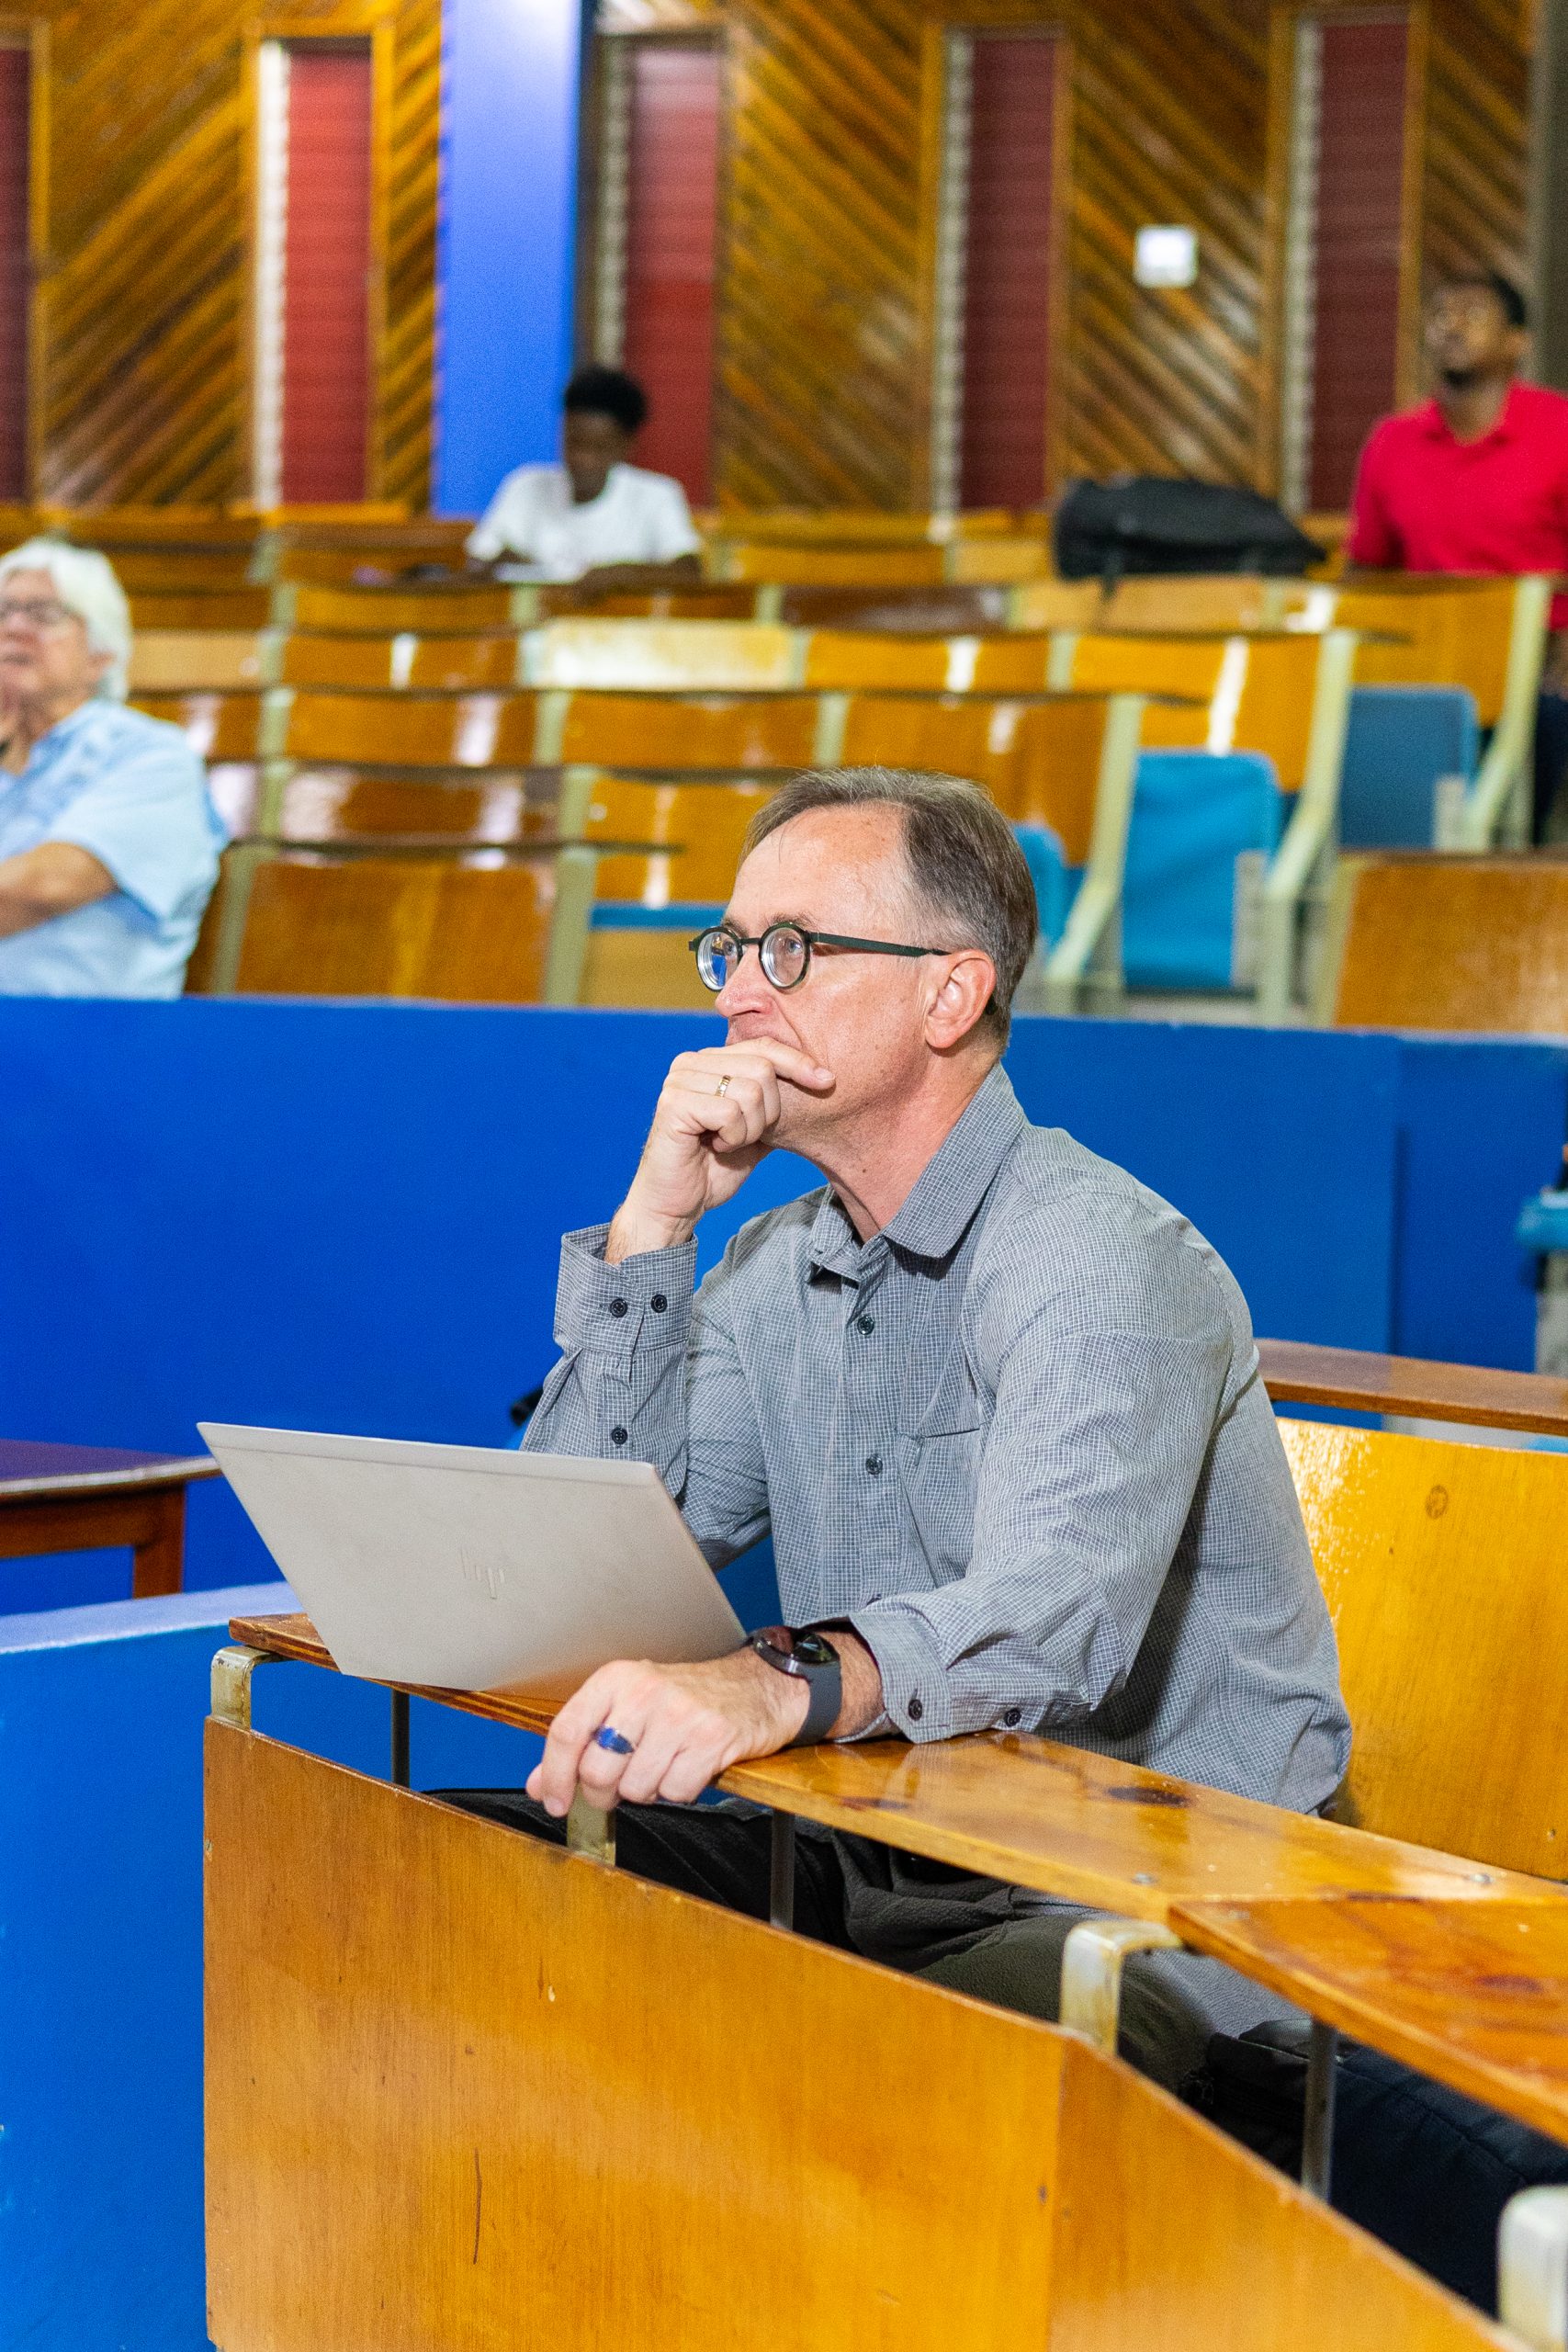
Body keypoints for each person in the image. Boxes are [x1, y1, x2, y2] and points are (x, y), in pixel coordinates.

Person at [441, 765, 1350, 2093]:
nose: (736, 993)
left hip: (1139, 1907)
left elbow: (1051, 1623)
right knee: (462, 1873)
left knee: (902, 2066)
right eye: (729, 948)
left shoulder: (1098, 1256)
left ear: (950, 994)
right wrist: (653, 1227)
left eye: (791, 948)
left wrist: (774, 1681)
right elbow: (577, 1565)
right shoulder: (769, 1263)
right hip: (888, 1863)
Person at [1345, 272, 1568, 839]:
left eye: (1473, 313)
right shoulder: (1392, 441)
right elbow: (1366, 575)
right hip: (1424, 663)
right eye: (1441, 314)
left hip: (1541, 663)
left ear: (1517, 341)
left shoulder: (1559, 429)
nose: (1452, 325)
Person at [0, 540, 223, 997]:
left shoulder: (151, 757)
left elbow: (46, 885)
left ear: (101, 657)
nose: (13, 627)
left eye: (43, 614)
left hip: (86, 1032)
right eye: (2, 612)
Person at [466, 364, 704, 592]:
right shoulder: (526, 485)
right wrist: (498, 565)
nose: (582, 459)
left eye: (599, 448)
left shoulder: (656, 496)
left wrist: (617, 576)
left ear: (626, 446)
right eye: (574, 443)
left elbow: (688, 572)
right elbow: (477, 562)